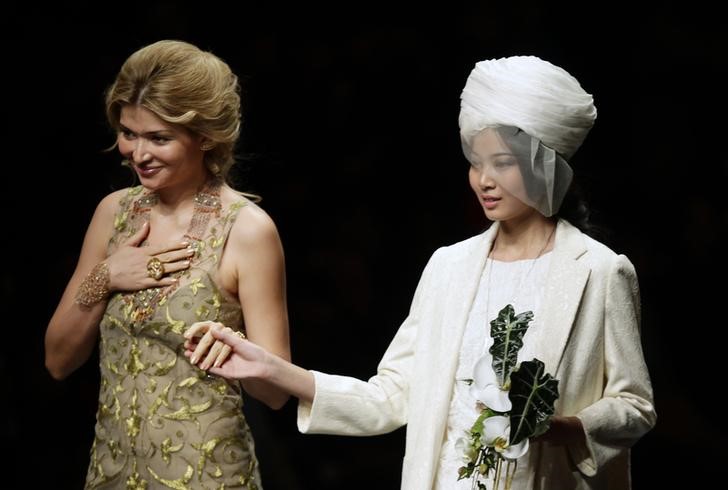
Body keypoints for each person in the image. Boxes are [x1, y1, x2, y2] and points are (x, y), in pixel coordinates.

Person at [184, 55, 656, 489]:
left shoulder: (599, 270)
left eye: (503, 163)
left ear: (546, 166)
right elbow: (392, 394)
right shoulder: (449, 266)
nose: (483, 180)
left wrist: (568, 428)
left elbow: (634, 406)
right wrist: (271, 368)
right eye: (476, 163)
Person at [44, 40, 290, 489]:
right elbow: (58, 360)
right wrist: (106, 276)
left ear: (205, 136)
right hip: (111, 472)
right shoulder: (113, 213)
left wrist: (233, 345)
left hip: (209, 476)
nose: (138, 154)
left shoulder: (248, 231)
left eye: (159, 138)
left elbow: (274, 395)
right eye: (128, 133)